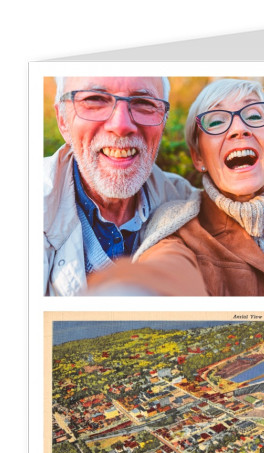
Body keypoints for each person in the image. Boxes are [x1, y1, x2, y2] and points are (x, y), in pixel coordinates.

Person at [87, 78, 264, 296]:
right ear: (198, 157)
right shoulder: (177, 229)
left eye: (254, 116)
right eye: (216, 121)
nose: (239, 129)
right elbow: (165, 271)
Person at [44, 76, 199, 296]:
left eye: (144, 103)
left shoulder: (187, 204)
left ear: (163, 121)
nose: (121, 126)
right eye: (95, 99)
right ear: (62, 120)